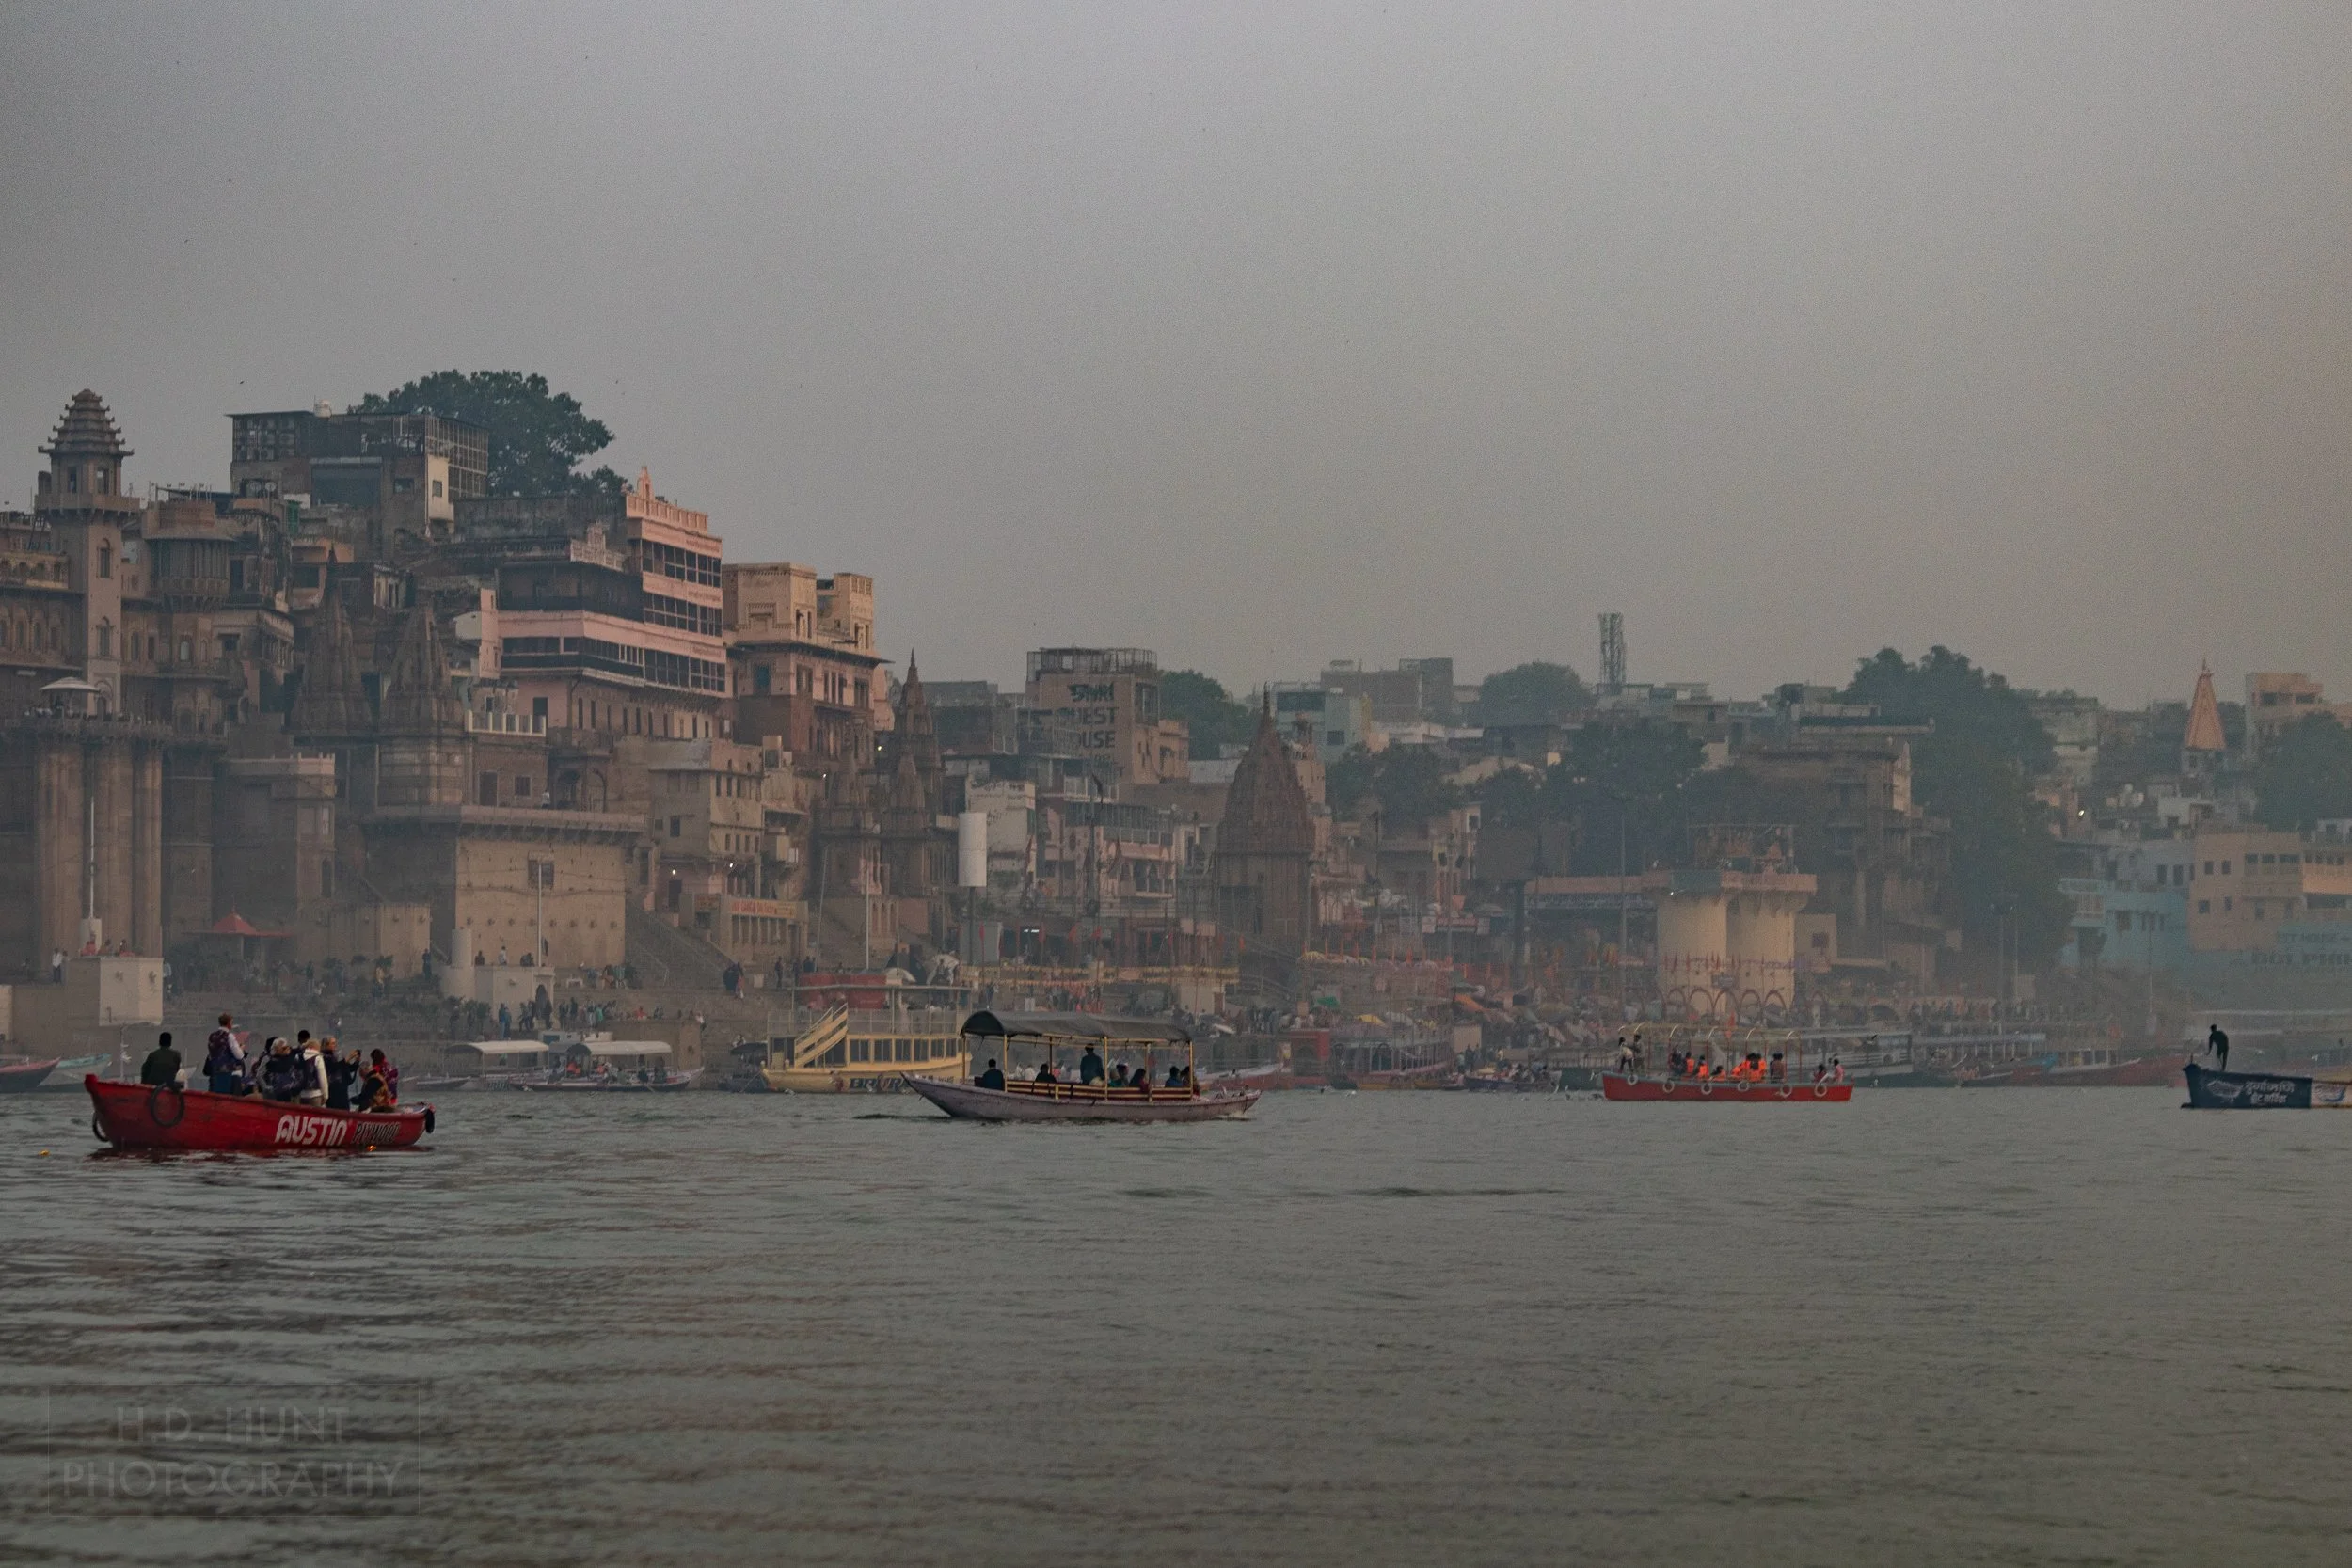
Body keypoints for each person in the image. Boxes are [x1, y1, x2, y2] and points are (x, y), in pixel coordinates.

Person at [203, 1014, 244, 1094]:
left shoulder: (212, 1036)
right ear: (229, 1023)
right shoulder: (229, 1036)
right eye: (232, 1022)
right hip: (227, 1072)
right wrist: (241, 1049)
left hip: (214, 1071)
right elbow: (239, 1056)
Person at [259, 1038, 306, 1102]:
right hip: (276, 1093)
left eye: (286, 1047)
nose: (286, 1049)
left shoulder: (292, 1056)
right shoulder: (268, 1058)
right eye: (283, 1048)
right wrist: (266, 1088)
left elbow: (300, 1068)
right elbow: (259, 1075)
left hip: (293, 1092)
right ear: (275, 1048)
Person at [325, 1041, 358, 1111]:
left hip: (343, 1089)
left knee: (345, 1109)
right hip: (333, 1090)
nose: (335, 1045)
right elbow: (334, 1068)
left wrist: (356, 1061)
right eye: (333, 1043)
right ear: (326, 1045)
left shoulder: (338, 1056)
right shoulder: (325, 1057)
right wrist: (347, 1059)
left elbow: (348, 1068)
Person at [296, 1037, 329, 1107]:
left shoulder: (298, 1057)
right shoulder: (318, 1058)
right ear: (316, 1047)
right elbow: (322, 1078)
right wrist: (325, 1095)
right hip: (316, 1094)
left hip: (302, 1094)